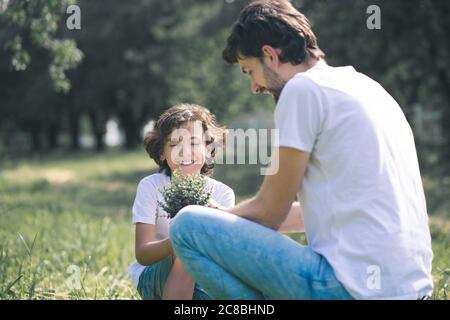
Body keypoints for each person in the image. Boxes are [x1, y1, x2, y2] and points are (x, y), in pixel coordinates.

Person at [169, 0, 433, 300]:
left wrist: (220, 214)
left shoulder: (302, 90)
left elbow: (270, 213)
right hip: (410, 291)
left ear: (269, 55)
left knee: (187, 226)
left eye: (249, 71)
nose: (255, 87)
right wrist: (230, 221)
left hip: (349, 290)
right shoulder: (368, 88)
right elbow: (319, 212)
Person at [128, 103, 235, 300]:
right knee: (187, 244)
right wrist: (178, 240)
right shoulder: (151, 186)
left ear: (209, 149)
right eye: (175, 144)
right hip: (155, 278)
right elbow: (143, 253)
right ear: (162, 153)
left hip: (203, 280)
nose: (185, 152)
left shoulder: (222, 194)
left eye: (194, 143)